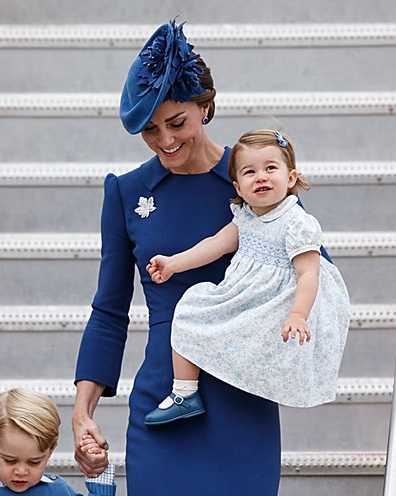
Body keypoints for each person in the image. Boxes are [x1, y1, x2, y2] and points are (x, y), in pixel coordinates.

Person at [72, 20, 280, 496]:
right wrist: (84, 407)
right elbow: (109, 309)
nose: (165, 140)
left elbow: (312, 268)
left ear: (206, 108)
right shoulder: (128, 192)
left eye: (178, 122)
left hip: (241, 406)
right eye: (150, 128)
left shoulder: (252, 178)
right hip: (163, 406)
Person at [143, 128, 351, 424]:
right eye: (250, 172)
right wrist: (174, 264)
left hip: (280, 302)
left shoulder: (296, 223)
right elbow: (216, 244)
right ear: (238, 188)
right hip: (247, 296)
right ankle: (185, 393)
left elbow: (308, 274)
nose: (261, 177)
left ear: (290, 178)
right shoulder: (246, 216)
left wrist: (298, 314)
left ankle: (252, 379)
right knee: (192, 307)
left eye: (270, 168)